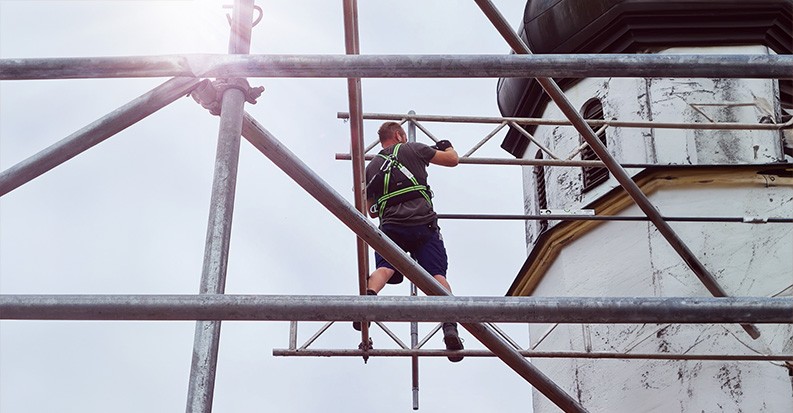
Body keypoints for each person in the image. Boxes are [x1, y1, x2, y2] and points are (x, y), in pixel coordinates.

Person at [357, 121, 464, 362]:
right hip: (423, 224)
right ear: (399, 134)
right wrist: (447, 147)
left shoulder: (372, 166)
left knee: (384, 268)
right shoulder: (413, 148)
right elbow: (452, 160)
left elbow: (371, 211)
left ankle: (367, 300)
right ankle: (449, 326)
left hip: (392, 227)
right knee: (437, 276)